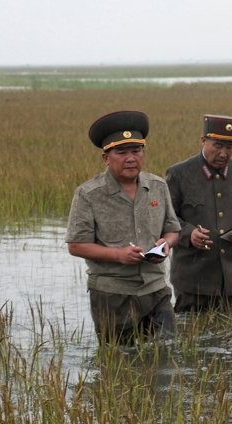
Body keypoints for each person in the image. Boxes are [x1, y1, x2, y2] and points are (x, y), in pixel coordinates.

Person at [66, 110, 181, 344]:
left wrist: (166, 244)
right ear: (106, 158)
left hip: (155, 289)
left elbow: (173, 229)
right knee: (118, 362)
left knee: (167, 355)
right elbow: (76, 245)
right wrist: (118, 255)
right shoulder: (89, 194)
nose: (131, 158)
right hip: (112, 294)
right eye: (121, 152)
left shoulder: (158, 186)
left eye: (136, 151)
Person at [165, 114, 232, 312]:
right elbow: (167, 219)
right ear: (203, 141)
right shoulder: (179, 174)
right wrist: (189, 234)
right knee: (193, 340)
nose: (224, 153)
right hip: (193, 282)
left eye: (229, 147)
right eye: (217, 145)